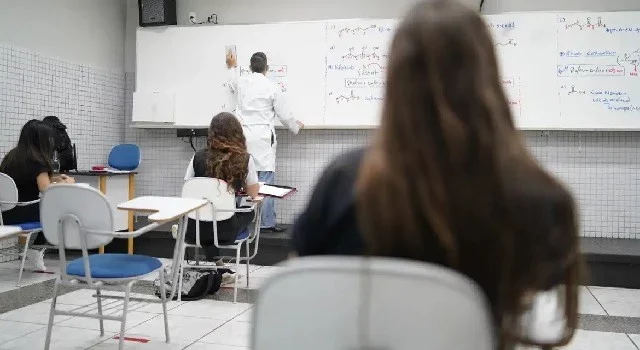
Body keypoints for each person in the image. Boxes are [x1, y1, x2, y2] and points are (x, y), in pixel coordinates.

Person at [291, 1, 581, 349]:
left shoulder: (343, 183)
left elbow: (301, 286)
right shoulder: (542, 199)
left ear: (396, 80)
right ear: (487, 76)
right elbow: (540, 323)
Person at [226, 51, 303, 233]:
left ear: (250, 67)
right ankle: (267, 223)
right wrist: (296, 127)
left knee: (241, 178)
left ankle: (236, 219)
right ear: (267, 68)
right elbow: (284, 115)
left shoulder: (242, 82)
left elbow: (230, 84)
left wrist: (231, 66)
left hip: (243, 137)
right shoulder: (272, 87)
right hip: (262, 139)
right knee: (265, 183)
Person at [184, 112, 260, 262]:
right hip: (226, 230)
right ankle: (219, 268)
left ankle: (217, 266)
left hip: (196, 228)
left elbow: (188, 186)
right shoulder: (244, 158)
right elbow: (253, 193)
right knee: (249, 211)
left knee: (209, 212)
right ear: (237, 132)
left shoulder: (197, 156)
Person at [0, 120, 75, 271]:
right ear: (41, 140)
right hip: (26, 215)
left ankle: (34, 248)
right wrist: (67, 183)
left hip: (6, 214)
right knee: (64, 212)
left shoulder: (11, 157)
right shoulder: (38, 161)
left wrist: (55, 179)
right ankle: (36, 247)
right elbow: (46, 189)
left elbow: (26, 180)